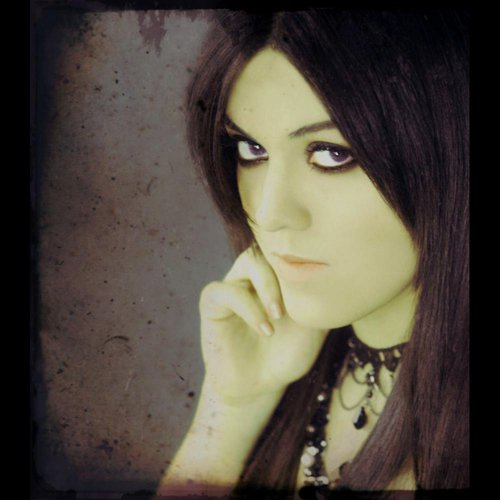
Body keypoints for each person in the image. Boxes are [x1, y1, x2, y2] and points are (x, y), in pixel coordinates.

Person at [156, 9, 469, 499]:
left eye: (332, 154)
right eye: (251, 151)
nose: (269, 212)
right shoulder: (289, 361)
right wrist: (228, 415)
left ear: (447, 153)